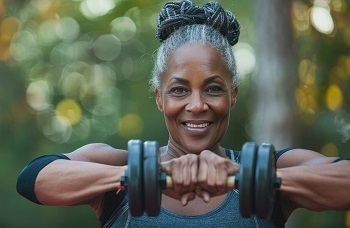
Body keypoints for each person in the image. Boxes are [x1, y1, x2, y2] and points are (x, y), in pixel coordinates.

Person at [17, 0, 350, 227]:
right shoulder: (121, 166)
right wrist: (149, 175)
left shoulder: (267, 168)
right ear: (159, 98)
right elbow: (34, 178)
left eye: (213, 88)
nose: (197, 105)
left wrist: (246, 176)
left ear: (233, 95)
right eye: (178, 90)